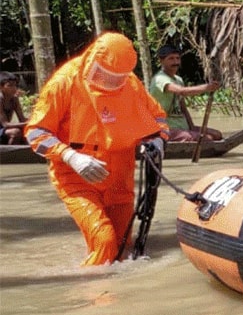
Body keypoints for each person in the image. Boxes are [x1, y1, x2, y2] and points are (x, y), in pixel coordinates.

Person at [25, 32, 169, 265]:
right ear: (92, 61)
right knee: (104, 241)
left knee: (123, 248)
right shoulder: (65, 82)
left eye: (116, 79)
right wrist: (71, 157)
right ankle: (95, 296)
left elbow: (157, 120)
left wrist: (158, 140)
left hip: (121, 176)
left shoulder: (131, 84)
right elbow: (36, 133)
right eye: (104, 76)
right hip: (77, 177)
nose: (109, 84)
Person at [148, 45, 222, 142]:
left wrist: (191, 126)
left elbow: (183, 108)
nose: (175, 62)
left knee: (217, 135)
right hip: (165, 128)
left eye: (177, 58)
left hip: (182, 126)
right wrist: (206, 87)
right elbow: (181, 91)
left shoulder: (178, 80)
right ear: (161, 61)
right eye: (171, 59)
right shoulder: (159, 79)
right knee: (208, 139)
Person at [0, 71, 27, 145]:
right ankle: (7, 155)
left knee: (29, 130)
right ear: (1, 87)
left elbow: (22, 119)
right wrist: (26, 123)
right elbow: (5, 124)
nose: (14, 88)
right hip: (3, 128)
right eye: (10, 86)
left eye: (15, 85)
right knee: (15, 132)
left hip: (5, 129)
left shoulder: (14, 99)